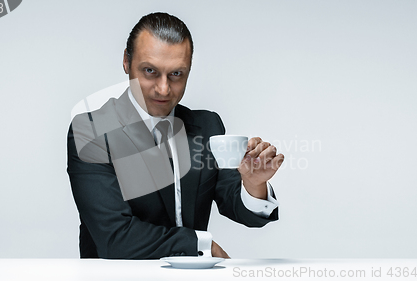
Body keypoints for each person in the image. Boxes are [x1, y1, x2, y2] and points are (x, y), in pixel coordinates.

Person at [67, 12, 284, 259]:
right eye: (150, 71)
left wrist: (254, 184)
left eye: (176, 74)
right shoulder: (92, 131)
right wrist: (200, 244)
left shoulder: (206, 125)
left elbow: (239, 208)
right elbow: (114, 238)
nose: (163, 88)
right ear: (126, 61)